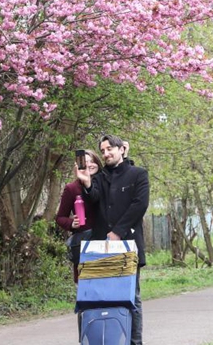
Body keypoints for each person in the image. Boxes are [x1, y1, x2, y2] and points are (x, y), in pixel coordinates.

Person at [78, 134, 149, 345]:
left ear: (121, 149)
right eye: (103, 150)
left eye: (110, 149)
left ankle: (134, 342)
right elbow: (93, 198)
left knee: (131, 298)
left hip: (128, 246)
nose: (106, 153)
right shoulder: (99, 177)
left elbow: (140, 205)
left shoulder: (138, 174)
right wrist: (87, 184)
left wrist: (118, 231)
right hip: (101, 249)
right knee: (99, 298)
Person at [55, 149, 103, 282]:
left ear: (98, 163)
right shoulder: (71, 188)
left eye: (92, 161)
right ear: (78, 166)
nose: (88, 165)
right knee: (86, 290)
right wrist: (71, 223)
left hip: (106, 243)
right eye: (84, 162)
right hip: (84, 244)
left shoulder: (106, 184)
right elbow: (60, 217)